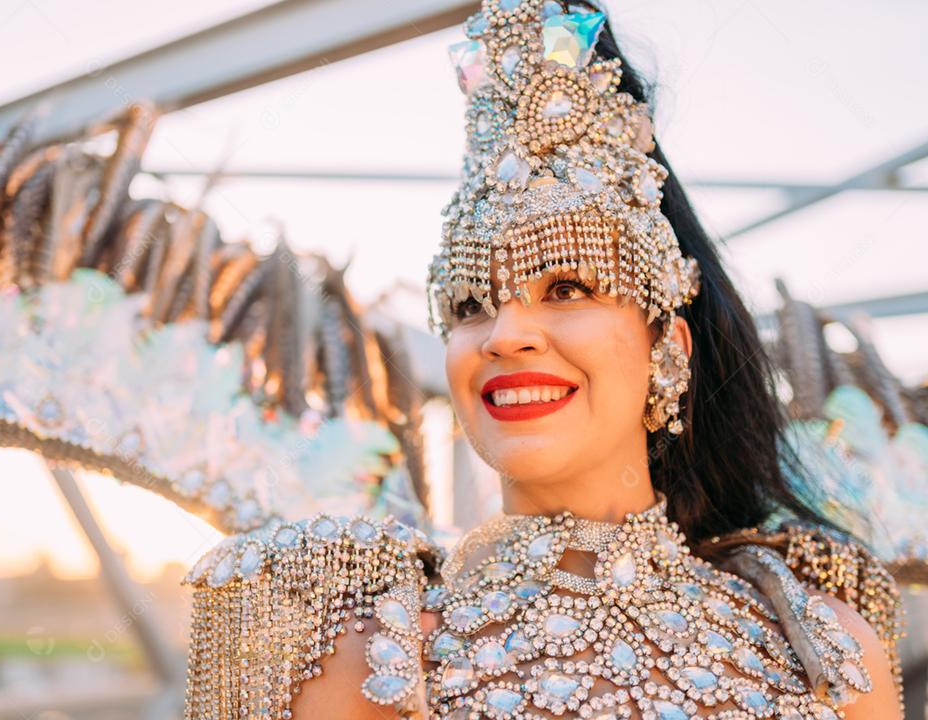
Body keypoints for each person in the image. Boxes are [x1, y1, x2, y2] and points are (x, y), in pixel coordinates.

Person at [182, 2, 905, 718]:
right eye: (470, 304)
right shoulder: (358, 652)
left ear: (668, 349)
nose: (503, 335)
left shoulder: (820, 647)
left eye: (567, 287)